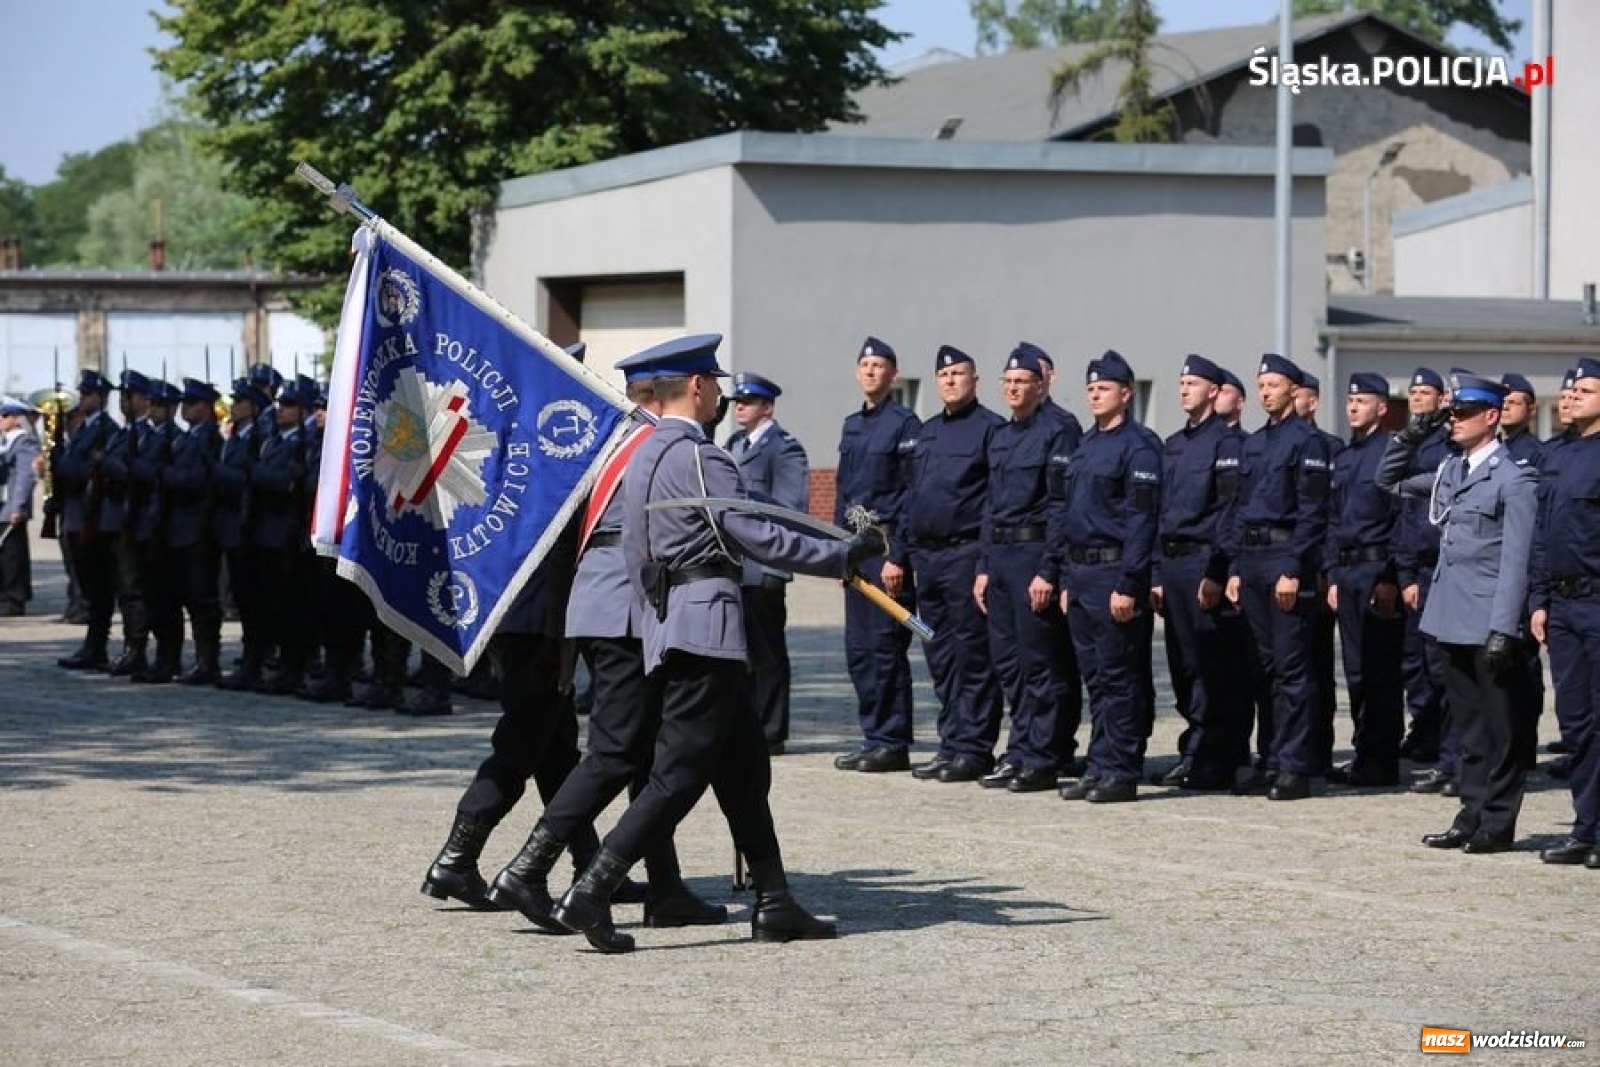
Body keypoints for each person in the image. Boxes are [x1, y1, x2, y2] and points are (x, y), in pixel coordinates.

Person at [548, 333, 879, 953]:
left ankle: (775, 900)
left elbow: (634, 551)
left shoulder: (641, 452)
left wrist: (659, 612)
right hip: (708, 628)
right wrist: (840, 556)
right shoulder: (702, 457)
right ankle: (592, 890)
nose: (722, 395)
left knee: (744, 768)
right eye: (716, 385)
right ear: (697, 387)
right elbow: (753, 534)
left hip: (677, 620)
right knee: (676, 775)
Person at [485, 364, 722, 932]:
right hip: (627, 608)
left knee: (642, 752)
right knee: (616, 751)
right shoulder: (654, 445)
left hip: (602, 606)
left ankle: (665, 887)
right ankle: (528, 867)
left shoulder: (613, 443)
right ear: (680, 389)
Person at [1378, 371, 1538, 854]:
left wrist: (1503, 628)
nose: (1455, 421)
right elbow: (1387, 481)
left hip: (1488, 620)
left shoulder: (1515, 478)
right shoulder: (1451, 470)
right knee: (1467, 727)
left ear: (1491, 417)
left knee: (1501, 728)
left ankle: (1497, 821)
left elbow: (1515, 561)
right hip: (1449, 617)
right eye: (1452, 414)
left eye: (1464, 414)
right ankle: (1470, 812)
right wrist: (1412, 432)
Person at [1052, 350, 1162, 804]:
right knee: (1095, 677)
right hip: (1080, 573)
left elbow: (1142, 520)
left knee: (1121, 676)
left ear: (1126, 393)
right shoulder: (1086, 444)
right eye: (1091, 389)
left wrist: (1130, 582)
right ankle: (1100, 764)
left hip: (1115, 572)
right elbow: (1068, 513)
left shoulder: (1140, 446)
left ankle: (1121, 769)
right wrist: (1064, 577)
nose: (1096, 395)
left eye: (1105, 388)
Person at [1221, 354, 1331, 801]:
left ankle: (1294, 765)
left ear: (1293, 389)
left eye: (1274, 385)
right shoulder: (1253, 444)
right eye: (1261, 385)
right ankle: (1268, 759)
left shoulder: (1308, 442)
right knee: (1261, 669)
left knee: (1291, 669)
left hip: (1285, 557)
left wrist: (1293, 568)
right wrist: (1233, 568)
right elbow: (1238, 508)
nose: (1266, 392)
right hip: (1251, 559)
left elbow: (1313, 511)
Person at [975, 343, 1080, 794]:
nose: (1014, 389)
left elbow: (1062, 506)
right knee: (1009, 664)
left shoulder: (1059, 430)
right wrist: (982, 565)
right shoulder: (1000, 435)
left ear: (1041, 384)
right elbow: (991, 504)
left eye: (1023, 382)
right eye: (1009, 382)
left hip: (1034, 556)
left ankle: (1045, 754)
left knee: (1042, 664)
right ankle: (1020, 748)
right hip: (999, 559)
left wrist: (1049, 570)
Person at [901, 345, 1005, 783]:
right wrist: (901, 555)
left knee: (971, 656)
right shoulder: (926, 433)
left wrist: (984, 562)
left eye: (958, 374)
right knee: (939, 656)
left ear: (974, 380)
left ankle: (975, 748)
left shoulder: (990, 430)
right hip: (928, 559)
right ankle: (951, 743)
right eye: (943, 374)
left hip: (965, 556)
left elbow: (995, 503)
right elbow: (912, 498)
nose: (950, 380)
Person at [1150, 355, 1247, 791]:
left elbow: (1230, 511)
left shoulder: (1226, 444)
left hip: (1204, 562)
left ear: (1214, 390)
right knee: (1183, 665)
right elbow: (1158, 511)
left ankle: (1217, 757)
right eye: (1181, 381)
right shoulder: (1172, 445)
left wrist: (1218, 570)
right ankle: (1194, 749)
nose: (1184, 389)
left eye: (1193, 383)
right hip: (1172, 564)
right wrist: (1154, 571)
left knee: (1215, 666)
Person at [833, 336, 921, 773]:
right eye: (864, 364)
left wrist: (899, 556)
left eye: (879, 365)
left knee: (886, 648)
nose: (870, 371)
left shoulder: (905, 425)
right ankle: (873, 736)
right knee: (859, 650)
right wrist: (835, 551)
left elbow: (911, 494)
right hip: (856, 548)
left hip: (885, 548)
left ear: (893, 373)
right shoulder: (852, 425)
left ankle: (893, 740)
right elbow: (843, 491)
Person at [1530, 358, 1600, 868]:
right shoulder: (1556, 456)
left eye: (1586, 389)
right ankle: (1585, 827)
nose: (1571, 396)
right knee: (1575, 723)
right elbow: (1541, 537)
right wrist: (1539, 600)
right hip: (1563, 604)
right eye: (1570, 389)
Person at [1322, 374, 1404, 788]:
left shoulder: (1391, 452)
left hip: (1376, 569)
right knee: (1355, 670)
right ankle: (1364, 750)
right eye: (1350, 399)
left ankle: (1382, 756)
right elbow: (1334, 519)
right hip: (1349, 571)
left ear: (1382, 408)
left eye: (1363, 400)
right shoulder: (1347, 455)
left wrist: (1390, 577)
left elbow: (1400, 518)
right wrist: (1334, 575)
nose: (1353, 406)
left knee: (1380, 670)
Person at [723, 371, 809, 755]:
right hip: (737, 565)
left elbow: (790, 510)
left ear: (767, 407)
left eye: (748, 401)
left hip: (764, 564)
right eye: (737, 401)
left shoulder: (783, 448)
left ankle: (771, 731)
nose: (739, 406)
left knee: (768, 653)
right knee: (742, 653)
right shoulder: (735, 443)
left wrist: (775, 564)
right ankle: (748, 725)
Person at [1396, 368, 1456, 790]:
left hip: (1443, 566)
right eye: (1412, 392)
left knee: (1447, 668)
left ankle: (1452, 756)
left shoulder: (1447, 446)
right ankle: (1427, 732)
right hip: (1415, 567)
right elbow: (1402, 515)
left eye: (1425, 392)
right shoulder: (1408, 443)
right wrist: (1403, 572)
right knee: (1417, 664)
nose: (1417, 398)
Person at [1295, 373, 1345, 775]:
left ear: (1312, 403)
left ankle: (1318, 750)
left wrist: (1327, 568)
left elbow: (1329, 515)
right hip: (1284, 568)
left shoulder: (1331, 449)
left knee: (1316, 664)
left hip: (1316, 570)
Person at [54, 369, 120, 670]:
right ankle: (93, 644)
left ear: (101, 398)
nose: (82, 400)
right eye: (81, 394)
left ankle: (98, 645)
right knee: (88, 585)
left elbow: (86, 472)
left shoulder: (106, 430)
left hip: (92, 518)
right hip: (77, 515)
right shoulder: (82, 430)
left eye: (87, 395)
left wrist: (63, 465)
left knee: (99, 587)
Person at [166, 379, 226, 685]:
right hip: (182, 527)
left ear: (204, 407)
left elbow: (198, 480)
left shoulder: (209, 439)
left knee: (202, 598)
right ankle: (200, 659)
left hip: (199, 528)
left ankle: (208, 661)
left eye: (189, 404)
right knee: (187, 595)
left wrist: (166, 475)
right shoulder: (188, 438)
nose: (184, 409)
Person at [96, 370, 154, 675]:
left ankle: (137, 648)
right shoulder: (122, 432)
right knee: (122, 587)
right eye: (122, 396)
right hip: (115, 518)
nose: (124, 401)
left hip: (134, 519)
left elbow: (134, 472)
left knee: (133, 588)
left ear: (145, 400)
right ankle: (130, 645)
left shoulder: (146, 433)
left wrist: (108, 463)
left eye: (129, 396)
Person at [128, 381, 185, 683]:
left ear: (172, 408)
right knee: (150, 594)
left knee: (166, 597)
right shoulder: (146, 436)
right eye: (151, 404)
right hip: (145, 525)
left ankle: (169, 656)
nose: (153, 410)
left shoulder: (176, 439)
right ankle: (158, 654)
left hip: (165, 527)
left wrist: (142, 468)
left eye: (160, 406)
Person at [215, 379, 268, 690]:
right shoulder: (235, 439)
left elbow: (246, 479)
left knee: (256, 600)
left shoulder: (259, 439)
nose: (233, 406)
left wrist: (217, 472)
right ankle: (250, 658)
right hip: (232, 528)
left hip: (252, 529)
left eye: (240, 401)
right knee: (244, 599)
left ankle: (257, 660)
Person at [0, 397, 41, 615]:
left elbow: (25, 476)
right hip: (3, 506)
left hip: (11, 507)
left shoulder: (23, 441)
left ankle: (13, 599)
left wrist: (18, 506)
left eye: (5, 415)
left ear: (17, 419)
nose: (0, 419)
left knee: (12, 557)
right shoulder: (5, 442)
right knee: (5, 555)